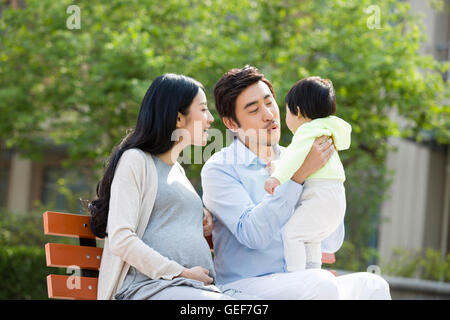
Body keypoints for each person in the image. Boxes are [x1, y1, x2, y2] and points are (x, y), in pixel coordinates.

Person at [201, 65, 391, 299]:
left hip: (302, 279)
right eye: (253, 110)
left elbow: (331, 243)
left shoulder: (301, 155)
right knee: (320, 283)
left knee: (373, 284)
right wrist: (297, 177)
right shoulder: (220, 168)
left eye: (269, 102)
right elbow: (253, 234)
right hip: (246, 285)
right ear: (231, 123)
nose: (269, 115)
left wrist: (326, 187)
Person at [89, 73, 259, 300]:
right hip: (147, 289)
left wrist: (199, 212)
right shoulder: (136, 160)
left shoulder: (177, 171)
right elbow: (121, 239)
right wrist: (182, 272)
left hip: (192, 290)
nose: (210, 118)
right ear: (179, 119)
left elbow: (165, 214)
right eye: (203, 109)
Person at [264, 76, 352, 271]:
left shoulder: (306, 132)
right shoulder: (328, 131)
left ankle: (297, 277)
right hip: (336, 200)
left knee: (291, 234)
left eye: (286, 111)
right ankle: (313, 273)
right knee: (310, 239)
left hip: (319, 198)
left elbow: (293, 158)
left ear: (296, 111)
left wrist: (275, 176)